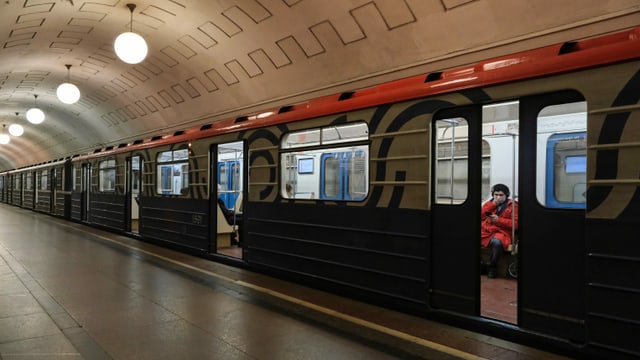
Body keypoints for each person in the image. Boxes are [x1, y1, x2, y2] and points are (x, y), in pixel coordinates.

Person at [481, 184, 518, 278]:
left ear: (506, 195)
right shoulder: (489, 203)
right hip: (486, 230)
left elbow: (516, 224)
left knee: (497, 243)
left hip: (502, 232)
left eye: (501, 195)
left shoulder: (513, 206)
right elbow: (481, 215)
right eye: (496, 194)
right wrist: (493, 205)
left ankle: (492, 267)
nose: (498, 197)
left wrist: (499, 220)